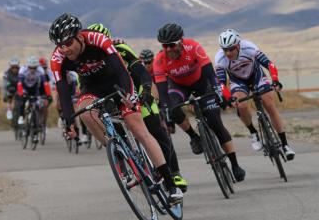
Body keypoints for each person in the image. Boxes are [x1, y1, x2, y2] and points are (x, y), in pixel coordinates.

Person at [48, 13, 183, 203]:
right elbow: (62, 91)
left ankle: (171, 184)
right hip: (92, 88)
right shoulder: (58, 58)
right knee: (86, 113)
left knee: (139, 129)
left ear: (79, 35)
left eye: (68, 42)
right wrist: (69, 121)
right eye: (59, 44)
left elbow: (121, 70)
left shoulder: (97, 39)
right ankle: (118, 151)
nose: (64, 48)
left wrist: (130, 95)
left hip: (117, 83)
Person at [87, 24, 188, 192]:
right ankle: (130, 164)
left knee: (156, 131)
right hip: (114, 97)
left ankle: (174, 174)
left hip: (137, 89)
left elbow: (142, 72)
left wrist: (147, 92)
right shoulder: (87, 61)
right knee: (115, 131)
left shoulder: (119, 47)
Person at [154, 23, 246, 182]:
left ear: (181, 41)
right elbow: (163, 93)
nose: (168, 49)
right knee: (173, 108)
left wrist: (219, 93)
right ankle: (194, 136)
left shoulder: (194, 47)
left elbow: (211, 74)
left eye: (171, 45)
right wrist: (166, 109)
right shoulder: (160, 60)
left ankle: (235, 164)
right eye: (164, 46)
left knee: (215, 121)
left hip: (202, 83)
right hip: (179, 86)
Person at [215, 28, 295, 160]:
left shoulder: (249, 47)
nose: (228, 53)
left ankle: (285, 145)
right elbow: (221, 83)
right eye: (225, 50)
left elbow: (269, 64)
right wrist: (228, 98)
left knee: (269, 105)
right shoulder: (220, 59)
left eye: (231, 49)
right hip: (238, 81)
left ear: (238, 45)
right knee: (241, 106)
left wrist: (275, 80)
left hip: (256, 76)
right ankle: (253, 132)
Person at [17, 56, 51, 133]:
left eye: (34, 68)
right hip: (25, 87)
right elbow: (19, 84)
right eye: (30, 67)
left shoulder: (40, 70)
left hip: (35, 88)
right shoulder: (23, 70)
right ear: (28, 66)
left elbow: (45, 84)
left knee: (37, 104)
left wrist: (48, 94)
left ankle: (36, 123)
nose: (32, 69)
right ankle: (21, 116)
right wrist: (21, 93)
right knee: (23, 101)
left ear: (37, 67)